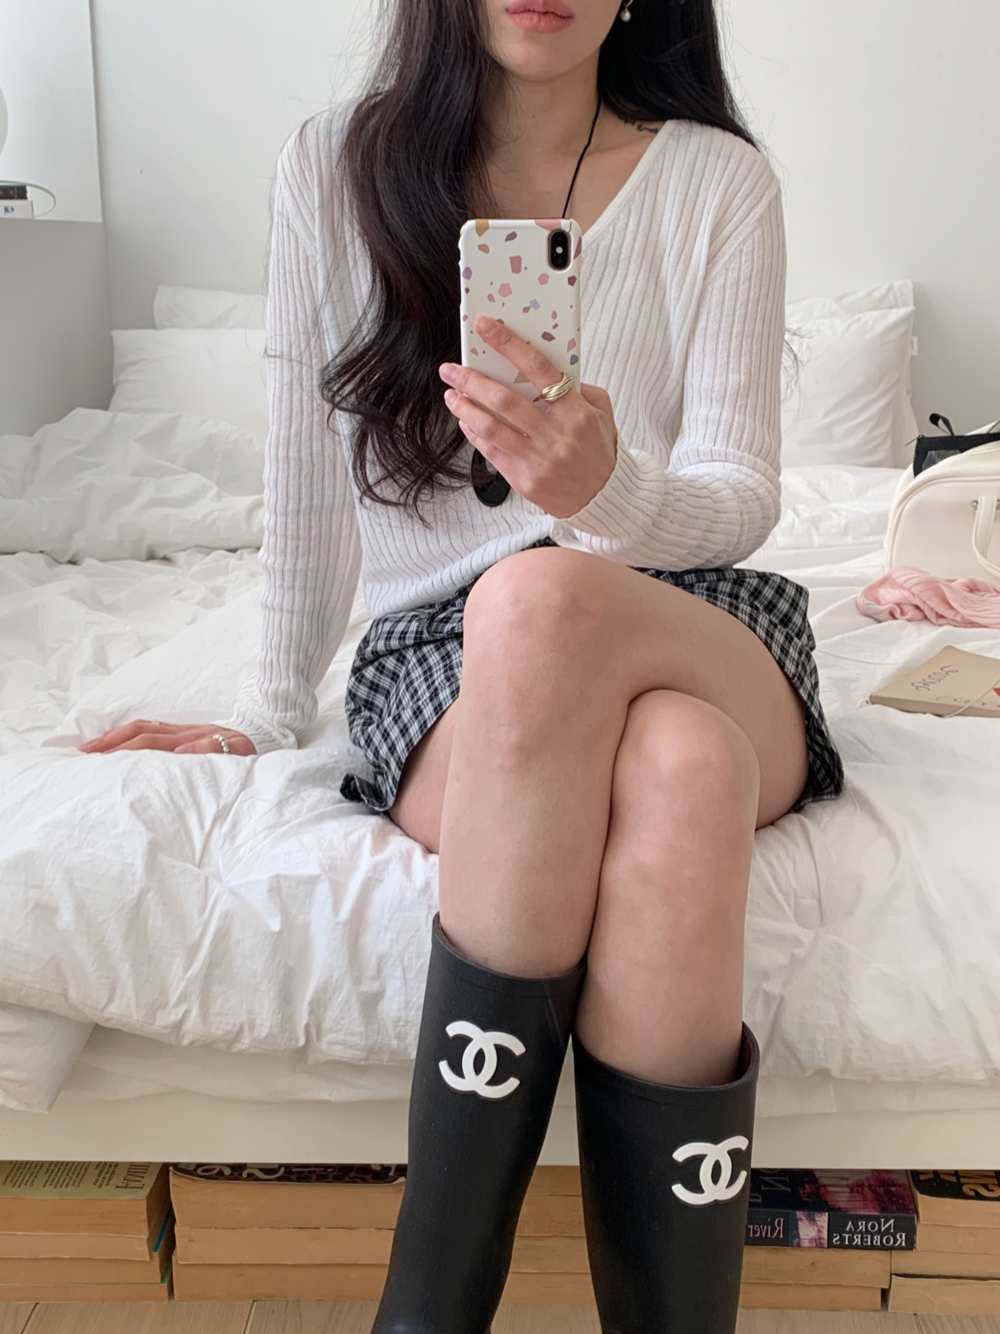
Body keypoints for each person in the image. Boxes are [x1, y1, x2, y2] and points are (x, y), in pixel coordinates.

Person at [83, 0, 845, 1327]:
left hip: (690, 610)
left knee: (546, 599)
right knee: (676, 768)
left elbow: (741, 496)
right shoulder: (335, 170)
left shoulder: (717, 182)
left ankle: (427, 1310)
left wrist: (608, 490)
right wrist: (266, 708)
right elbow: (306, 481)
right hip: (448, 656)